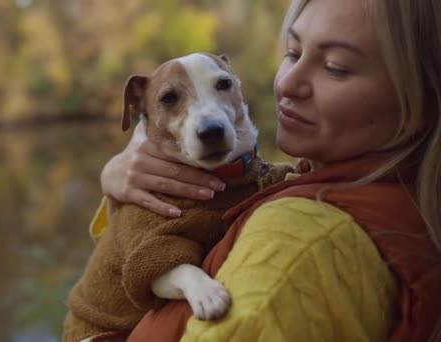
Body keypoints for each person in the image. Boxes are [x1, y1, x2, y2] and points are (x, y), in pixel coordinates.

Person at [90, 0, 441, 340]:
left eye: (335, 66)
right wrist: (115, 180)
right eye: (292, 52)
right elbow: (131, 249)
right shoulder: (373, 190)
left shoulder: (294, 250)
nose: (285, 84)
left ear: (419, 102)